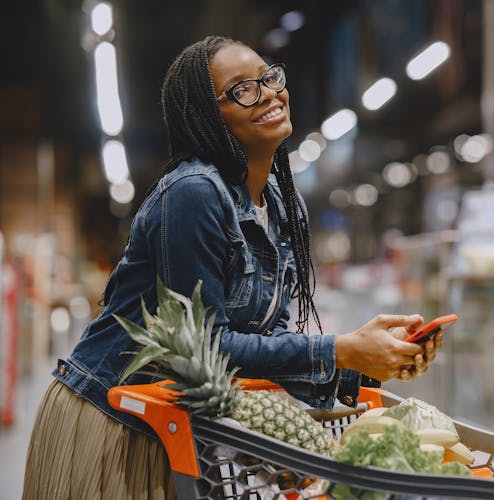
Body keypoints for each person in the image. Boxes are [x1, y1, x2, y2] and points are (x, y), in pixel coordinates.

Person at [23, 36, 439, 499]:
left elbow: (267, 340)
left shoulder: (283, 207)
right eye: (242, 89)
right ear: (206, 114)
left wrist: (367, 359)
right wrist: (339, 350)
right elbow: (206, 345)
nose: (268, 93)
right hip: (116, 419)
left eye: (269, 78)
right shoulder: (193, 193)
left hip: (183, 428)